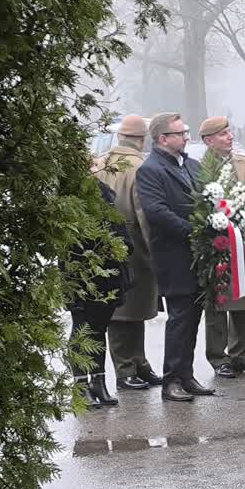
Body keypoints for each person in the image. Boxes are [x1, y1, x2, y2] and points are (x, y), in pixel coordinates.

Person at [136, 113, 214, 401]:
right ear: (162, 139)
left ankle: (186, 375)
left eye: (186, 131)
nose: (186, 137)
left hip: (198, 256)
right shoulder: (150, 170)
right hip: (174, 255)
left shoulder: (192, 165)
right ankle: (171, 380)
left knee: (194, 316)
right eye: (181, 133)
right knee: (180, 318)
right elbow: (156, 212)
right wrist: (193, 232)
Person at [198, 115, 245, 379]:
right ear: (209, 141)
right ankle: (219, 357)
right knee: (217, 305)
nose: (230, 137)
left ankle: (241, 353)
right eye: (223, 134)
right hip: (216, 247)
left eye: (230, 132)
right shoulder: (200, 168)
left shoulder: (243, 163)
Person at [99, 112, 162, 390]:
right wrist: (156, 251)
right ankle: (127, 369)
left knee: (124, 310)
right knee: (129, 312)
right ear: (142, 138)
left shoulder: (99, 162)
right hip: (136, 247)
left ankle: (137, 363)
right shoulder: (139, 167)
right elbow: (144, 214)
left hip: (103, 247)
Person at [67, 177, 132, 407]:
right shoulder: (69, 197)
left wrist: (120, 248)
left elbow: (121, 232)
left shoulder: (104, 195)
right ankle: (81, 385)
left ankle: (98, 382)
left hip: (108, 272)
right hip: (80, 273)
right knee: (82, 329)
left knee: (98, 330)